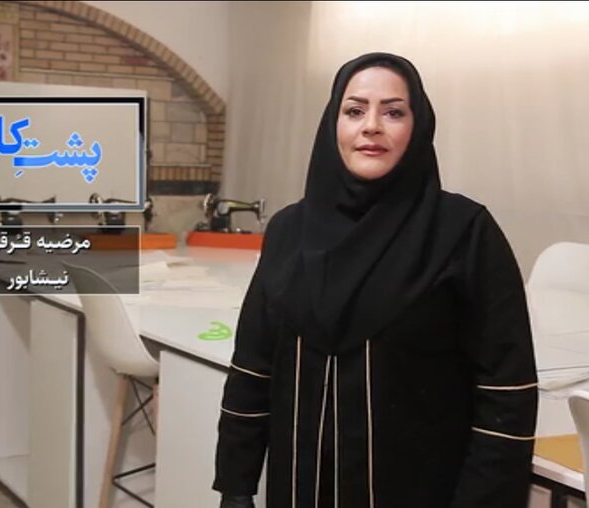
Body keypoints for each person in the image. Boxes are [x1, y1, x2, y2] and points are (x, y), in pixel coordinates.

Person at [213, 52, 538, 507]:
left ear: (418, 126)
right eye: (354, 111)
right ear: (333, 124)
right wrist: (236, 485)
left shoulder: (463, 232)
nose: (371, 126)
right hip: (299, 488)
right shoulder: (289, 231)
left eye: (393, 112)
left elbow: (506, 392)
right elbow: (253, 365)